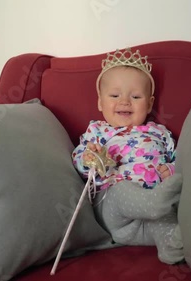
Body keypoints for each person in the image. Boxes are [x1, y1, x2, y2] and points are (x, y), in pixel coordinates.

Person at [72, 48, 184, 264]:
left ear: (149, 103)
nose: (124, 101)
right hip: (114, 212)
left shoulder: (159, 133)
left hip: (147, 221)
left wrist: (170, 170)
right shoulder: (97, 131)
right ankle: (154, 203)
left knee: (166, 223)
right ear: (100, 102)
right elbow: (78, 159)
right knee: (121, 191)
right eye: (114, 95)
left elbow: (179, 159)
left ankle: (171, 246)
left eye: (135, 96)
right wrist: (89, 158)